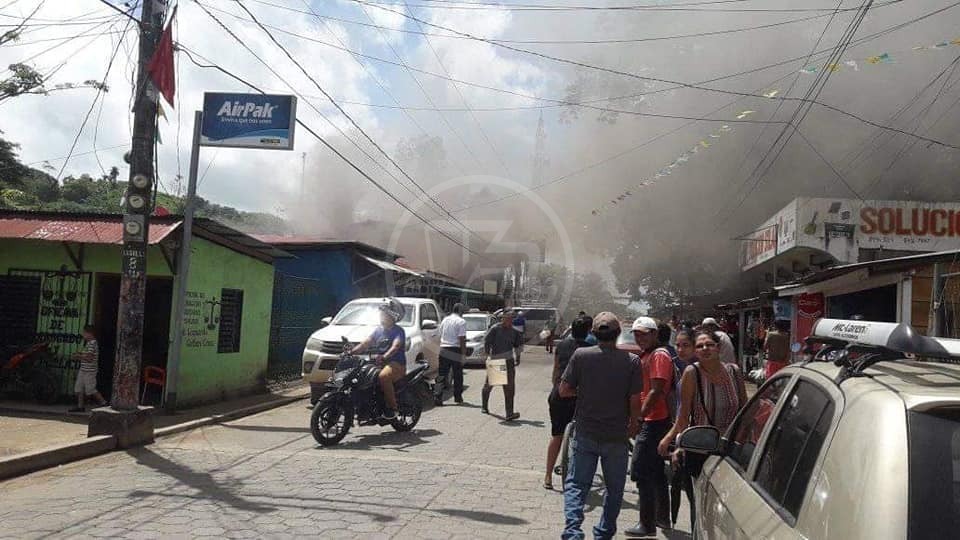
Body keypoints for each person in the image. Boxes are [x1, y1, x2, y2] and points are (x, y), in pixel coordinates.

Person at [560, 312, 643, 540]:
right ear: (618, 334)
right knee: (615, 489)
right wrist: (634, 425)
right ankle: (604, 534)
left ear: (593, 333)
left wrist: (585, 392)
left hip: (585, 433)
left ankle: (573, 532)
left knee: (577, 485)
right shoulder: (632, 362)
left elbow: (564, 390)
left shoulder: (581, 355)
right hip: (617, 436)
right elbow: (635, 402)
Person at [657, 329, 747, 530]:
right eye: (699, 346)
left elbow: (744, 412)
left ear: (718, 347)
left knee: (726, 513)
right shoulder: (692, 373)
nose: (705, 349)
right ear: (695, 352)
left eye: (709, 344)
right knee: (700, 510)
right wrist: (670, 440)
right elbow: (683, 416)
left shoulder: (734, 372)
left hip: (728, 454)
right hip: (699, 452)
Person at [625, 317, 675, 537]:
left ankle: (647, 524)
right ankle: (662, 518)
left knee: (640, 470)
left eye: (644, 334)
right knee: (655, 471)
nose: (639, 337)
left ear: (655, 334)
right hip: (654, 419)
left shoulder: (659, 355)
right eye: (636, 334)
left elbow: (657, 391)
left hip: (654, 421)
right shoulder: (649, 354)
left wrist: (639, 417)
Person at [544, 314, 592, 490]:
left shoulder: (561, 345)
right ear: (587, 331)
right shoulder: (590, 348)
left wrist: (556, 388)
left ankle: (548, 476)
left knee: (556, 435)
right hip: (579, 397)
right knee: (583, 437)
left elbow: (556, 370)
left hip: (558, 395)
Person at [351, 298, 406, 419]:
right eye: (381, 313)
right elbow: (366, 343)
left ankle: (393, 409)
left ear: (392, 316)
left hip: (396, 363)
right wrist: (352, 351)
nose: (381, 315)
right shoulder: (378, 330)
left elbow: (396, 346)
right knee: (360, 375)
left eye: (384, 313)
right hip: (380, 362)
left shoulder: (398, 331)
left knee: (383, 377)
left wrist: (385, 356)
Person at [482, 309, 523, 421]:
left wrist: (518, 358)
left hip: (509, 362)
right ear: (503, 318)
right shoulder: (495, 329)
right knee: (489, 385)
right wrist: (487, 355)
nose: (510, 321)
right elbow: (487, 342)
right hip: (496, 360)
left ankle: (509, 413)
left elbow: (518, 346)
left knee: (509, 388)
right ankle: (484, 406)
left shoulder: (514, 332)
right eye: (508, 318)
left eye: (511, 319)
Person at [69, 325, 107, 413]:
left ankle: (104, 403)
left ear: (90, 334)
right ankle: (80, 406)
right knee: (79, 388)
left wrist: (79, 356)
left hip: (89, 371)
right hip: (84, 369)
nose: (83, 335)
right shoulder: (90, 343)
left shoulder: (92, 343)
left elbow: (89, 358)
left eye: (84, 333)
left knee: (90, 389)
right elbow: (88, 355)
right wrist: (81, 353)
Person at [435, 303, 467, 406]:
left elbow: (440, 334)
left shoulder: (445, 320)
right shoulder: (461, 321)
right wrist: (463, 354)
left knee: (441, 375)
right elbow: (462, 338)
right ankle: (458, 397)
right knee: (458, 375)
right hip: (455, 350)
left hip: (444, 349)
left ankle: (437, 396)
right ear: (460, 311)